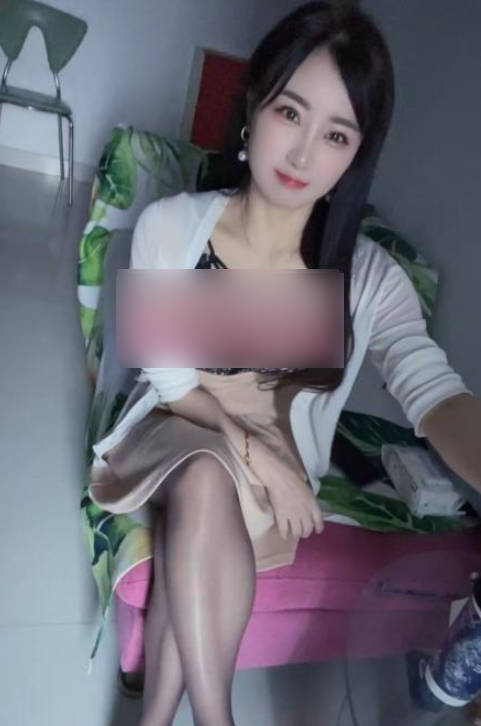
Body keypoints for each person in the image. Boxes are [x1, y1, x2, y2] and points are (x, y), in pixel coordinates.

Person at [88, 2, 481, 725]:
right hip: (176, 425)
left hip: (271, 464)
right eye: (290, 113)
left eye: (335, 135)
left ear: (356, 153)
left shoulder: (365, 277)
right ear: (253, 105)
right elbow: (172, 385)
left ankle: (155, 719)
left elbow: (434, 392)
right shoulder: (171, 227)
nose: (302, 156)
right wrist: (258, 456)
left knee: (200, 516)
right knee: (204, 475)